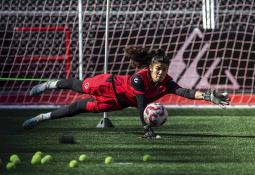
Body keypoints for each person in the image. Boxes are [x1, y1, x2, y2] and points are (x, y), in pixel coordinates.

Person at [22, 47, 230, 138]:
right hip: (107, 85)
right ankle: (49, 84)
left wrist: (208, 96)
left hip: (116, 103)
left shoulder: (166, 82)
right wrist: (146, 127)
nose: (161, 73)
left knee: (78, 108)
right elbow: (141, 104)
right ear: (150, 68)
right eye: (158, 69)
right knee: (79, 86)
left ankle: (39, 118)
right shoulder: (140, 77)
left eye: (165, 70)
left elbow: (184, 91)